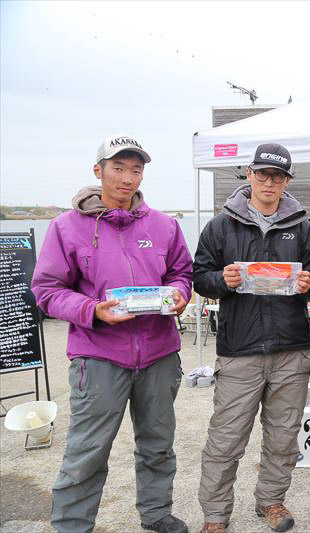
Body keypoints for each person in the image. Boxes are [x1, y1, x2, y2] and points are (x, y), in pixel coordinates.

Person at [31, 134, 192, 533]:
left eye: (135, 169)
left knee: (158, 445)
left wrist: (179, 294)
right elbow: (46, 290)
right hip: (98, 357)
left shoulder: (164, 225)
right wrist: (92, 310)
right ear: (98, 171)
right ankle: (72, 526)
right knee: (87, 451)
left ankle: (156, 514)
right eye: (118, 168)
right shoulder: (66, 227)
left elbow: (181, 273)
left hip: (159, 354)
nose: (127, 178)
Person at [193, 143, 310, 533]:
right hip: (239, 350)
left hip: (291, 349)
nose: (269, 182)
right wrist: (222, 280)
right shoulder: (220, 226)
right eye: (263, 174)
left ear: (287, 181)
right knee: (226, 438)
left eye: (278, 176)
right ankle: (215, 514)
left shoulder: (301, 226)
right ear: (249, 175)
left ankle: (271, 501)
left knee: (283, 437)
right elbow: (199, 278)